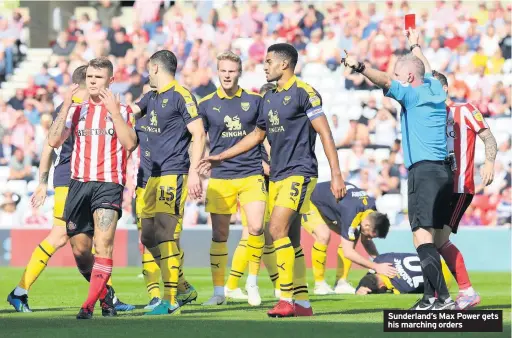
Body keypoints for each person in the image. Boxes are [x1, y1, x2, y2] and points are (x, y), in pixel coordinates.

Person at [199, 43, 345, 317]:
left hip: (300, 172)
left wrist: (336, 174)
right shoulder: (268, 97)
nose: (264, 66)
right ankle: (303, 303)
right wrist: (221, 156)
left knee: (274, 230)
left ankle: (286, 299)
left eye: (268, 62)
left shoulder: (305, 92)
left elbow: (325, 134)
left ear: (284, 64)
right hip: (277, 175)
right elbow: (257, 136)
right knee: (290, 239)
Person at [342, 28, 455, 310]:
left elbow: (383, 80)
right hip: (443, 173)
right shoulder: (435, 90)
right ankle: (431, 298)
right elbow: (425, 67)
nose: (393, 76)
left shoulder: (413, 94)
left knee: (421, 236)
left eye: (397, 72)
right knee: (428, 236)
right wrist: (416, 45)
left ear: (407, 77)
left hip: (424, 171)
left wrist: (360, 66)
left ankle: (441, 298)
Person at [7, 65, 134, 314]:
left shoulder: (99, 108)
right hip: (70, 180)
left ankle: (106, 296)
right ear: (83, 84)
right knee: (61, 237)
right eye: (91, 80)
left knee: (80, 242)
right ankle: (21, 290)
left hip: (86, 180)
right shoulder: (74, 108)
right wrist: (43, 182)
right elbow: (49, 146)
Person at [48, 57, 138, 319]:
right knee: (79, 250)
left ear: (111, 80)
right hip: (78, 184)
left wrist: (115, 112)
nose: (93, 82)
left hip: (108, 184)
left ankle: (88, 306)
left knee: (104, 244)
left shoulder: (123, 110)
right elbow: (54, 140)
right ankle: (106, 296)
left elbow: (130, 143)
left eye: (98, 77)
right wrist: (65, 105)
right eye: (90, 77)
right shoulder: (76, 110)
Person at [128, 50, 206, 316]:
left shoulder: (181, 96)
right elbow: (130, 113)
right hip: (146, 176)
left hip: (172, 173)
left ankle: (171, 300)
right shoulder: (150, 98)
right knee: (148, 237)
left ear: (155, 68)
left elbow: (198, 133)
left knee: (164, 233)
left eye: (149, 69)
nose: (147, 74)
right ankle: (183, 287)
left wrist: (194, 172)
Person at [198, 51, 267, 307]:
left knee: (257, 228)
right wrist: (197, 168)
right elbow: (197, 138)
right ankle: (219, 292)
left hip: (251, 173)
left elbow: (263, 136)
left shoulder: (255, 101)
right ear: (218, 71)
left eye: (232, 71)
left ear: (240, 72)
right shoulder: (205, 104)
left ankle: (251, 283)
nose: (227, 75)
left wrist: (269, 163)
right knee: (220, 235)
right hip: (221, 177)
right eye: (223, 71)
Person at [433, 71, 497, 310]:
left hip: (460, 186)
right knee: (430, 239)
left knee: (439, 239)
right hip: (439, 186)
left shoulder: (466, 109)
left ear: (445, 90)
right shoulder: (432, 115)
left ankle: (466, 291)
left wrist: (488, 163)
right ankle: (444, 295)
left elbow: (489, 139)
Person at [225, 82, 281, 301]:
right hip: (253, 183)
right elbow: (248, 153)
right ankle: (239, 284)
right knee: (252, 232)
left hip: (268, 185)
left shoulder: (274, 127)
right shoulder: (254, 127)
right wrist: (267, 167)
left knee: (261, 235)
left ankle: (235, 284)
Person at [302, 181, 394, 295]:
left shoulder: (371, 210)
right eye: (370, 235)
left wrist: (380, 260)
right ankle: (319, 285)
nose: (369, 238)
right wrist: (376, 266)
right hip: (308, 200)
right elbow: (348, 252)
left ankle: (341, 283)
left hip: (326, 205)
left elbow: (365, 241)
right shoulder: (353, 212)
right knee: (323, 235)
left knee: (353, 236)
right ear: (367, 226)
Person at [355, 253, 452, 295]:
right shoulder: (381, 259)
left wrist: (358, 289)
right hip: (438, 260)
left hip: (444, 282)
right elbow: (372, 272)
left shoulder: (400, 288)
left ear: (381, 286)